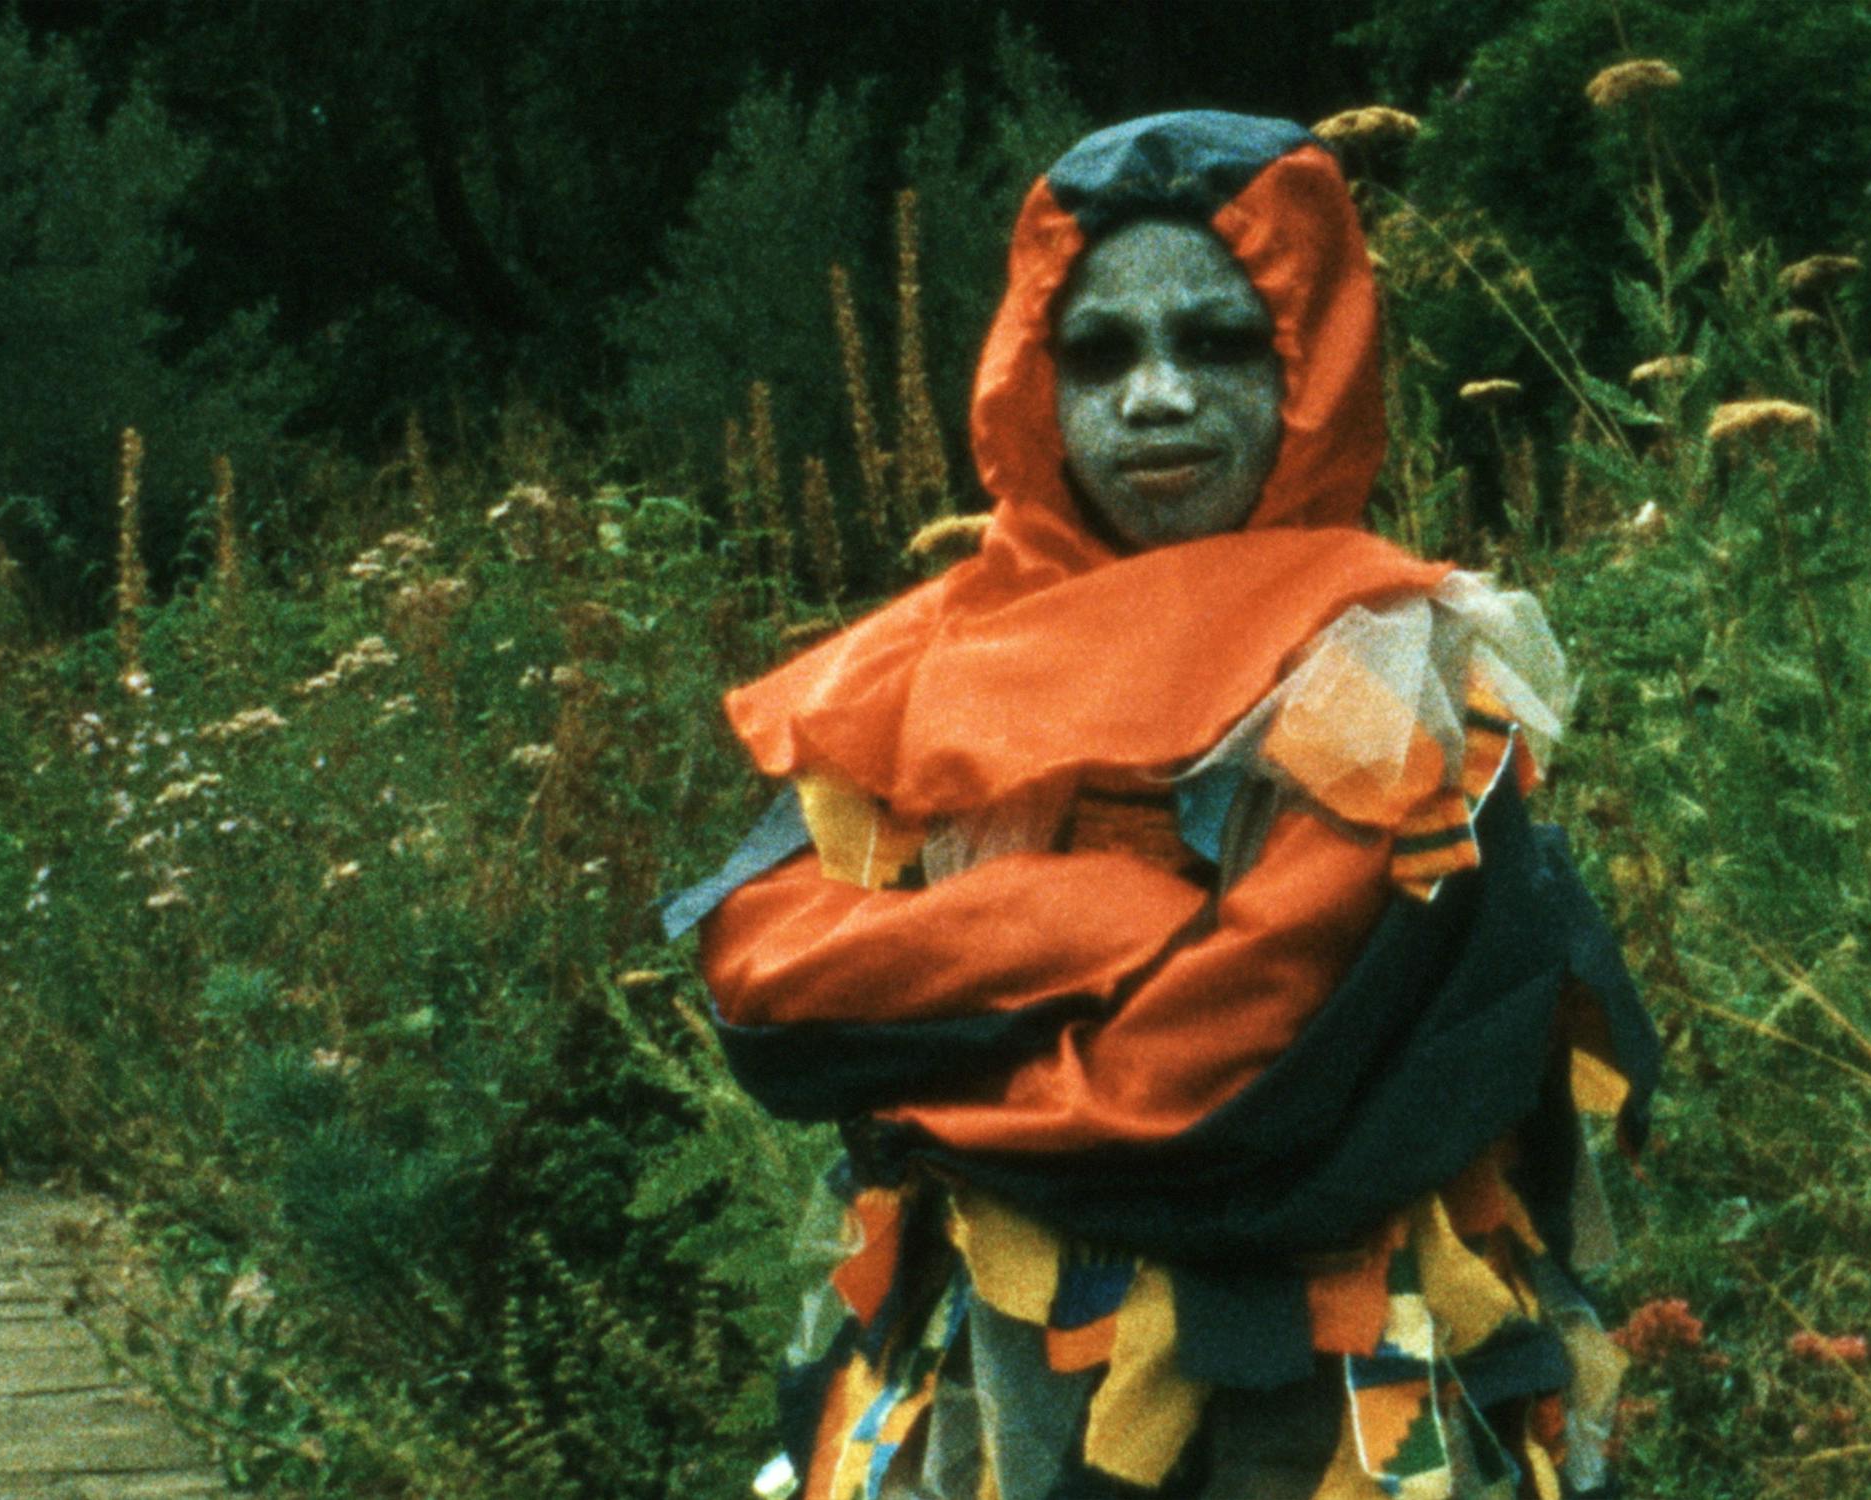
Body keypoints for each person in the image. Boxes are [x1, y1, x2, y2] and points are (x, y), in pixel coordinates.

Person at [665, 110, 1660, 1500]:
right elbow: (766, 984)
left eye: (1218, 341)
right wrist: (1098, 917)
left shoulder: (1388, 666)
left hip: (1322, 1389)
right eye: (1099, 352)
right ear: (1031, 380)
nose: (1155, 397)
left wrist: (931, 1054)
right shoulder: (919, 661)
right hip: (991, 1371)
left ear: (1310, 364)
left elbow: (1220, 1080)